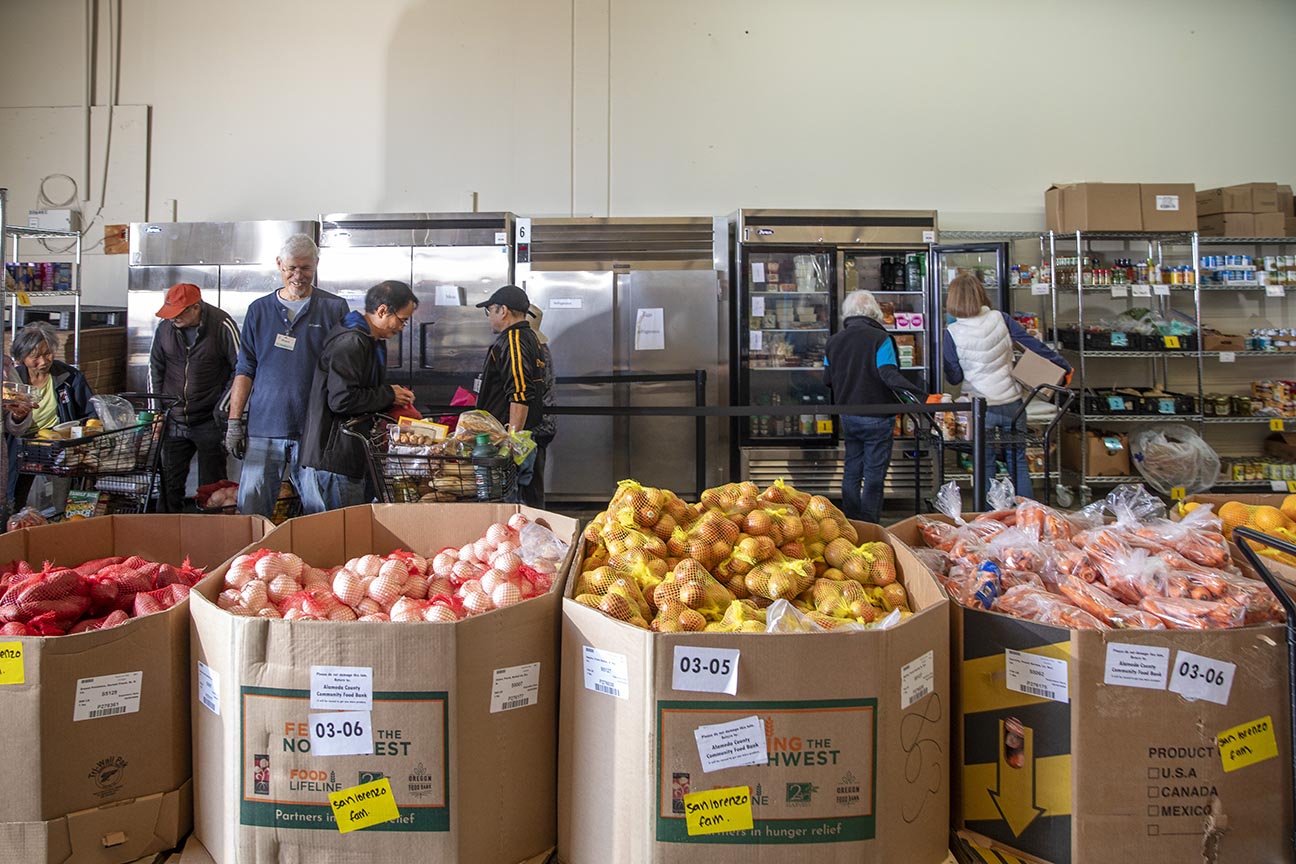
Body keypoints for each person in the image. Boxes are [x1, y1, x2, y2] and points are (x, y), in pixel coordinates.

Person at [224, 233, 348, 518]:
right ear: (279, 264)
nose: (298, 275)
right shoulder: (259, 310)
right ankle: (251, 562)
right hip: (264, 428)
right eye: (291, 267)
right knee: (252, 513)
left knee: (321, 513)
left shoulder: (334, 308)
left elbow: (344, 370)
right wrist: (234, 422)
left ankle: (320, 562)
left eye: (305, 268)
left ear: (316, 265)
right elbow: (245, 369)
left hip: (314, 429)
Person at [942, 272, 1071, 499]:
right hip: (1012, 403)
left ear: (952, 300)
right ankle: (1026, 515)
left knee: (985, 463)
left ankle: (991, 520)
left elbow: (954, 377)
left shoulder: (952, 333)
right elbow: (1033, 345)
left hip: (981, 407)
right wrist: (1063, 366)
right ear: (980, 293)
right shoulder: (1000, 318)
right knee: (1018, 460)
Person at [300, 281, 417, 512]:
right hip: (335, 457)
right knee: (342, 536)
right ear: (383, 310)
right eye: (402, 320)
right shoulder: (352, 341)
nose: (402, 327)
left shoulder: (368, 340)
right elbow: (342, 399)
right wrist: (388, 394)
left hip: (348, 453)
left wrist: (391, 395)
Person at [823, 290, 926, 523]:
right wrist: (921, 397)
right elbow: (888, 374)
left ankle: (851, 522)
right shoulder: (881, 339)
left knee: (851, 469)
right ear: (874, 312)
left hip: (848, 415)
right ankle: (870, 524)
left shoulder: (833, 341)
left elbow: (827, 380)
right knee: (874, 474)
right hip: (878, 416)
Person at [149, 283, 240, 512]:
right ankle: (168, 533)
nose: (173, 319)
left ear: (195, 308)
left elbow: (242, 370)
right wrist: (157, 412)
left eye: (178, 313)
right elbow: (155, 368)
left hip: (210, 419)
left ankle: (212, 538)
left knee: (212, 489)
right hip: (173, 419)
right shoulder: (164, 329)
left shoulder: (222, 324)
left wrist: (223, 408)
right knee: (169, 484)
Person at [7, 322, 94, 507]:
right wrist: (17, 416)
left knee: (65, 500)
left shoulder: (69, 377)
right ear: (22, 357)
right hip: (21, 445)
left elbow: (90, 411)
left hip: (58, 444)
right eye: (35, 357)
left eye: (47, 353)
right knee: (13, 499)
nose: (43, 361)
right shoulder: (12, 381)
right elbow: (7, 422)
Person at [473, 285, 546, 502]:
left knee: (505, 503)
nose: (489, 318)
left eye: (490, 311)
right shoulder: (530, 337)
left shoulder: (514, 339)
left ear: (503, 310)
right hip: (521, 436)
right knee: (516, 502)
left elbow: (520, 393)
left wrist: (511, 443)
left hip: (505, 441)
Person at [525, 303, 557, 508]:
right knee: (533, 481)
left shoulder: (535, 351)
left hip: (537, 425)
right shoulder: (541, 348)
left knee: (532, 483)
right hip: (544, 423)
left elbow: (529, 391)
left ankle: (535, 524)